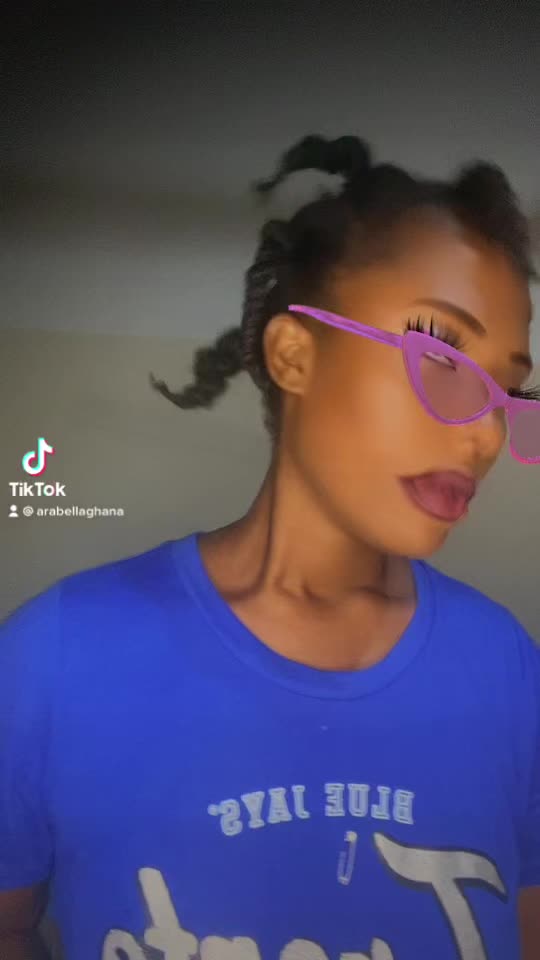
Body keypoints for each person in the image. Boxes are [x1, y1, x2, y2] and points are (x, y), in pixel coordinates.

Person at [1, 135, 539, 960]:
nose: (487, 434)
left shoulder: (506, 667)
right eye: (441, 356)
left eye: (510, 390)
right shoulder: (57, 654)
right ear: (295, 355)